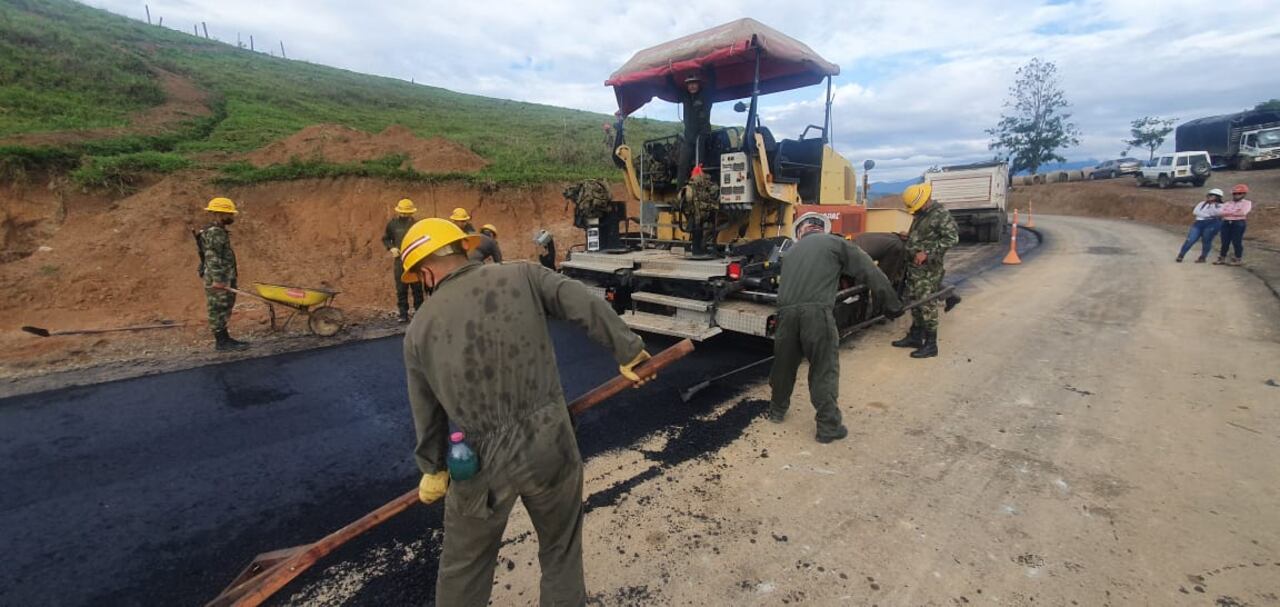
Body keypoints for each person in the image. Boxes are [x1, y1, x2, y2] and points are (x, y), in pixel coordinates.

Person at [399, 218, 651, 606]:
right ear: (464, 249)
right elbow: (583, 301)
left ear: (427, 271)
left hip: (478, 463)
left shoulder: (418, 330)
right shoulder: (524, 275)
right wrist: (628, 350)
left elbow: (427, 411)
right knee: (560, 550)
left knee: (463, 569)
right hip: (550, 442)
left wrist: (432, 468)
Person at [769, 213, 904, 443]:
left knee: (784, 365)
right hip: (816, 314)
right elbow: (870, 272)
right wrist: (891, 304)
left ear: (801, 232)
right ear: (824, 229)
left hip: (785, 316)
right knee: (823, 368)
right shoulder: (837, 243)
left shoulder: (790, 252)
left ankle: (776, 411)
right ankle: (828, 427)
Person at [891, 182, 959, 359]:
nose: (916, 209)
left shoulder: (940, 215)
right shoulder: (922, 214)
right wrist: (909, 237)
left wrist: (928, 253)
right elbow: (923, 235)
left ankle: (931, 344)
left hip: (928, 269)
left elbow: (952, 238)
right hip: (914, 267)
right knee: (915, 302)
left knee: (927, 304)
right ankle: (915, 336)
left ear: (925, 200)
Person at [198, 197, 248, 352]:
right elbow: (213, 258)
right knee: (218, 308)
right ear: (220, 214)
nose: (232, 217)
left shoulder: (217, 231)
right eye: (229, 214)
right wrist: (219, 280)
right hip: (219, 278)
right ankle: (221, 342)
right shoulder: (215, 233)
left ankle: (225, 339)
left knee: (224, 307)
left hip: (224, 276)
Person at [382, 198, 424, 322]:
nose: (405, 214)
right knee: (401, 288)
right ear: (398, 211)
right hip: (400, 261)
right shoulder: (392, 224)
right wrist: (392, 248)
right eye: (403, 212)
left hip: (415, 260)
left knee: (417, 288)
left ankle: (419, 312)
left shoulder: (417, 225)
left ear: (412, 212)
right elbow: (385, 239)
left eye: (407, 212)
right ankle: (403, 314)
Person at [673, 72, 714, 188]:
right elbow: (674, 90)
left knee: (699, 164)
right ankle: (680, 193)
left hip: (702, 136)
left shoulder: (706, 96)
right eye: (689, 84)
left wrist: (709, 68)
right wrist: (670, 75)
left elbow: (712, 84)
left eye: (694, 83)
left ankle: (700, 192)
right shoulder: (685, 97)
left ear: (699, 84)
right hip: (689, 137)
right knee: (682, 164)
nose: (692, 86)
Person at [1176, 189, 1224, 263]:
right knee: (1190, 239)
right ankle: (1181, 255)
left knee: (1206, 240)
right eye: (1209, 195)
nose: (1210, 197)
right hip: (1199, 223)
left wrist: (1212, 207)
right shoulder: (1202, 203)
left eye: (1212, 195)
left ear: (1218, 197)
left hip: (1212, 223)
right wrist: (1208, 215)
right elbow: (1195, 212)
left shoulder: (1220, 205)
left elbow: (1217, 213)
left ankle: (1203, 257)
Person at [1215, 184, 1253, 266]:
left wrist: (1227, 213)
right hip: (1226, 222)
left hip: (1238, 223)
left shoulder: (1247, 203)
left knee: (1236, 241)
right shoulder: (1228, 203)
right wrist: (1234, 213)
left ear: (1244, 194)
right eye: (1235, 193)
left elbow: (1243, 212)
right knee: (1224, 241)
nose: (1236, 195)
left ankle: (1238, 258)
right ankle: (1222, 257)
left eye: (1239, 193)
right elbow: (1219, 212)